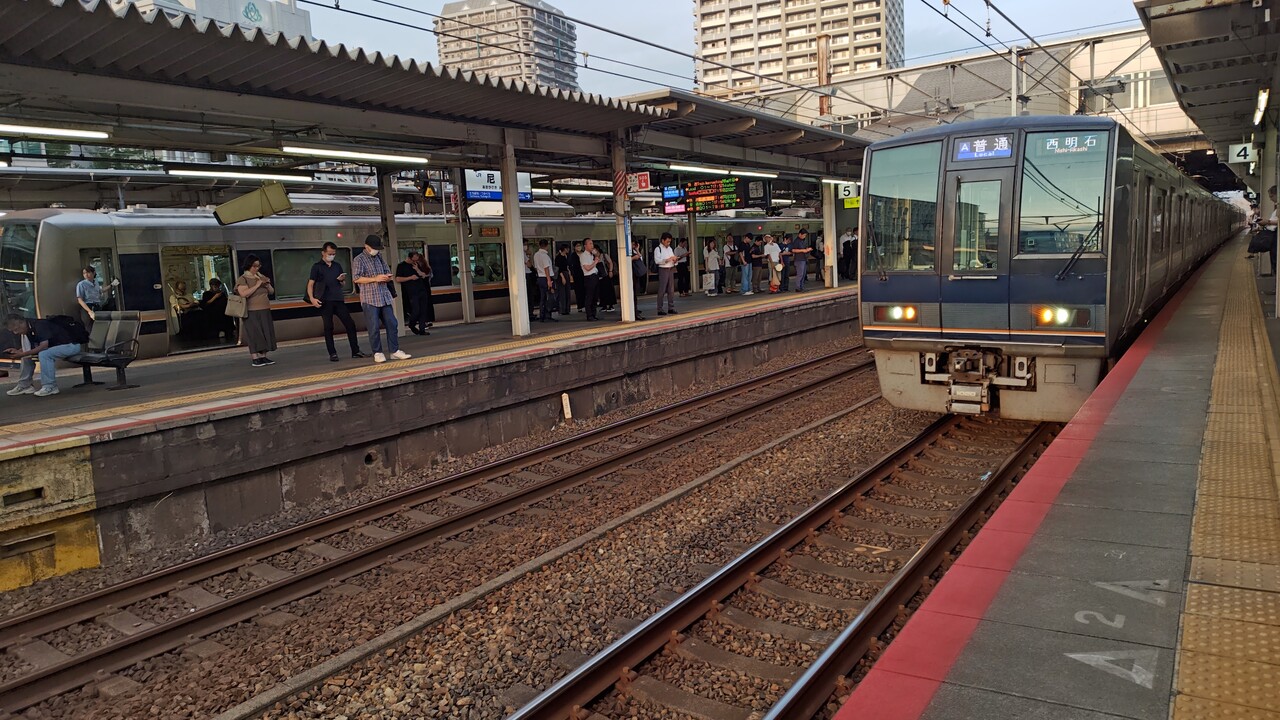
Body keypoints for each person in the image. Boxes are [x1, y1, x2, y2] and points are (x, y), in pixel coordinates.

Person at [354, 235, 411, 363]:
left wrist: (387, 276)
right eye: (374, 248)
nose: (376, 250)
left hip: (384, 296)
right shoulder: (359, 259)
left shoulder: (379, 257)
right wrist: (375, 278)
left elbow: (386, 271)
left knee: (392, 323)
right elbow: (356, 278)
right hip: (370, 298)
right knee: (374, 327)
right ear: (366, 246)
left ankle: (394, 351)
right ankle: (377, 352)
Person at [307, 243, 365, 361]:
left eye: (334, 254)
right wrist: (312, 299)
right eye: (330, 254)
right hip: (325, 300)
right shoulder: (317, 267)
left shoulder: (337, 266)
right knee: (328, 327)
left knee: (350, 324)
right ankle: (332, 353)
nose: (332, 256)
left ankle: (355, 350)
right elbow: (310, 284)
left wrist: (342, 280)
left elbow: (342, 284)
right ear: (323, 253)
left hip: (338, 299)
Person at [3, 314, 81, 397]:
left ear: (21, 322)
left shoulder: (39, 325)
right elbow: (32, 348)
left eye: (16, 329)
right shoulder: (28, 328)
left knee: (44, 354)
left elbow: (44, 346)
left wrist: (23, 353)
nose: (15, 333)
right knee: (27, 357)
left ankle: (50, 386)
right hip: (55, 347)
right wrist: (18, 352)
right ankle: (25, 385)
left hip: (70, 346)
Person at [235, 255, 277, 367]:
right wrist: (257, 285)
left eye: (258, 266)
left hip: (265, 309)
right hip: (251, 311)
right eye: (254, 266)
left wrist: (267, 284)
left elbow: (271, 292)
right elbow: (244, 294)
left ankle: (263, 356)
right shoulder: (243, 279)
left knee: (265, 332)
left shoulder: (260, 276)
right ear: (249, 265)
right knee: (254, 334)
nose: (257, 268)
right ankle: (255, 358)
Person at [396, 251, 433, 336]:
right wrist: (410, 278)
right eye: (414, 260)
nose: (415, 261)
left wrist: (417, 269)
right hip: (412, 292)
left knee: (423, 310)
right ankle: (412, 324)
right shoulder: (401, 266)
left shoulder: (417, 265)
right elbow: (398, 279)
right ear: (409, 258)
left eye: (417, 260)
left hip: (422, 290)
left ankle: (422, 329)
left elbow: (424, 275)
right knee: (416, 310)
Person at [653, 232, 679, 315]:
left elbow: (673, 259)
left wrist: (675, 260)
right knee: (662, 289)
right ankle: (660, 309)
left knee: (671, 290)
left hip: (671, 268)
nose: (668, 243)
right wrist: (668, 260)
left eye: (670, 242)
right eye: (667, 241)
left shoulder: (670, 249)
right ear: (662, 240)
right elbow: (657, 261)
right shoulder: (658, 249)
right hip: (663, 269)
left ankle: (671, 307)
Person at [532, 239, 557, 322]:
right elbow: (546, 268)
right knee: (548, 297)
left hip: (540, 277)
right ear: (547, 246)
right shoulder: (545, 256)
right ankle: (547, 315)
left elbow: (536, 267)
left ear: (539, 245)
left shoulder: (536, 255)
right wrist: (549, 280)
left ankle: (542, 315)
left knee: (542, 298)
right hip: (546, 277)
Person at [578, 238, 602, 321]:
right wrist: (595, 262)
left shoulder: (592, 255)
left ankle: (594, 314)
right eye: (590, 244)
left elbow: (599, 256)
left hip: (595, 276)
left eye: (592, 243)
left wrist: (596, 254)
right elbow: (587, 268)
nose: (592, 245)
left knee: (595, 297)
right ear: (585, 246)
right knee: (590, 297)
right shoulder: (583, 256)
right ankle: (589, 315)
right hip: (589, 277)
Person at [629, 244, 648, 321]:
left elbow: (640, 258)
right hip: (630, 275)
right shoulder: (624, 252)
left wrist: (637, 250)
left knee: (634, 295)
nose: (633, 245)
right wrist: (633, 258)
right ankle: (633, 312)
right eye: (632, 244)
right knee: (631, 295)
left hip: (635, 275)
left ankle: (635, 311)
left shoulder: (634, 251)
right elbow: (624, 261)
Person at [555, 245, 573, 316]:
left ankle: (567, 309)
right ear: (564, 249)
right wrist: (562, 277)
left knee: (567, 292)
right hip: (561, 274)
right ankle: (562, 309)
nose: (568, 250)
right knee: (562, 293)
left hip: (566, 273)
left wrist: (570, 274)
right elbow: (558, 268)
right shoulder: (558, 257)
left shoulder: (566, 256)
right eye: (567, 248)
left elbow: (568, 266)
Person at [570, 241, 586, 313]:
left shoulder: (584, 254)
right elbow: (571, 266)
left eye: (580, 245)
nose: (579, 247)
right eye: (577, 246)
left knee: (585, 290)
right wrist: (571, 275)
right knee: (578, 291)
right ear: (574, 247)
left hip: (585, 274)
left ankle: (586, 305)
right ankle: (580, 306)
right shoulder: (573, 256)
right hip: (577, 275)